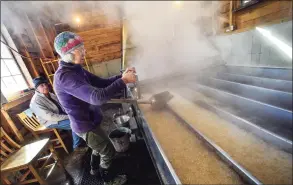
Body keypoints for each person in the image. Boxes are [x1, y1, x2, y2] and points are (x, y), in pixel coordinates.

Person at [53, 31, 136, 185]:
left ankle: (94, 170)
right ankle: (108, 180)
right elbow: (96, 98)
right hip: (84, 125)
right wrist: (123, 81)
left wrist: (121, 76)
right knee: (108, 151)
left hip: (90, 119)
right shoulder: (64, 77)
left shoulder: (75, 68)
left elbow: (101, 82)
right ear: (70, 54)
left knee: (98, 148)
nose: (84, 51)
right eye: (81, 49)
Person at [29, 76, 84, 150]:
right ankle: (77, 147)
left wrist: (71, 111)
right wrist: (68, 116)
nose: (45, 86)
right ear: (36, 89)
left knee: (79, 115)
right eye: (42, 86)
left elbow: (61, 104)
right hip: (50, 121)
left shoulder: (50, 94)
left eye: (45, 84)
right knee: (75, 124)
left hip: (60, 115)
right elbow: (50, 117)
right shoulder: (36, 101)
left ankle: (82, 138)